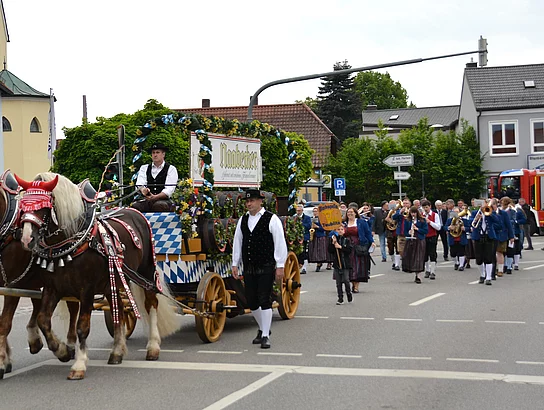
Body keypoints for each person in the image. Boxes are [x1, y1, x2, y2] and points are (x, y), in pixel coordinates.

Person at [231, 189, 288, 349]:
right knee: (251, 300)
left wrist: (280, 265)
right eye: (247, 201)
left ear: (260, 201)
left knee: (264, 299)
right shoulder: (243, 220)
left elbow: (279, 242)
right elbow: (238, 242)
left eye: (252, 201)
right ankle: (263, 328)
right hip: (249, 266)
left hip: (266, 265)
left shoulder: (271, 219)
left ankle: (265, 335)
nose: (249, 204)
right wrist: (235, 263)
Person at [132, 143, 178, 212]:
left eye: (157, 152)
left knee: (159, 205)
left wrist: (156, 197)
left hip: (164, 201)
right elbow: (140, 184)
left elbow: (169, 189)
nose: (155, 155)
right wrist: (144, 190)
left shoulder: (171, 169)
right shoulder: (144, 168)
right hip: (147, 200)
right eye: (153, 153)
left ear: (163, 154)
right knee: (135, 206)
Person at [344, 205, 374, 293]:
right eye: (348, 212)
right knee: (348, 266)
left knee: (357, 266)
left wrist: (372, 241)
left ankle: (356, 286)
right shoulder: (344, 223)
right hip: (347, 247)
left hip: (358, 246)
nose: (350, 214)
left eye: (351, 212)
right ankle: (351, 283)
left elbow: (367, 232)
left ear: (355, 213)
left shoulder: (361, 222)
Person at [470, 201, 501, 285]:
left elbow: (497, 220)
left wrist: (489, 214)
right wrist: (476, 218)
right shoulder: (475, 213)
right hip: (478, 237)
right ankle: (482, 274)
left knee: (488, 258)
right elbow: (471, 223)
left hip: (489, 237)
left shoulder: (491, 212)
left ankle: (488, 277)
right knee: (479, 259)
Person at [401, 206, 428, 283]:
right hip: (410, 240)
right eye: (412, 213)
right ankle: (411, 270)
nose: (413, 214)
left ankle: (418, 276)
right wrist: (408, 232)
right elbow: (404, 231)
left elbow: (425, 231)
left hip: (419, 240)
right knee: (409, 257)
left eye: (414, 213)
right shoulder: (407, 220)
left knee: (418, 258)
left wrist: (417, 229)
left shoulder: (422, 220)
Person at [328, 225, 353, 305]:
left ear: (344, 231)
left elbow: (349, 250)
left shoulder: (347, 240)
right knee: (338, 282)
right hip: (337, 264)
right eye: (338, 229)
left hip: (345, 263)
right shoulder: (334, 239)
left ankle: (348, 293)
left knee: (346, 280)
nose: (340, 231)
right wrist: (333, 244)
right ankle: (340, 298)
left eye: (342, 229)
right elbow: (330, 250)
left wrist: (340, 247)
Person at [491, 197, 514, 278]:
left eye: (492, 205)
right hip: (491, 235)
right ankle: (493, 269)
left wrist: (511, 236)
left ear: (496, 205)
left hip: (501, 235)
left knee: (500, 252)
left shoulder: (503, 213)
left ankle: (500, 270)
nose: (491, 207)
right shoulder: (488, 212)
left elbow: (509, 225)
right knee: (492, 253)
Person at [389, 197, 412, 271]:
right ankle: (402, 262)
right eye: (404, 203)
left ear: (410, 204)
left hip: (409, 234)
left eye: (406, 203)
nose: (405, 205)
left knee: (408, 250)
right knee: (400, 250)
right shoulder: (399, 211)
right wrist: (400, 212)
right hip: (400, 233)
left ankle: (408, 263)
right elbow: (393, 217)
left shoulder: (412, 211)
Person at [421, 199, 441, 279]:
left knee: (432, 254)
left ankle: (433, 271)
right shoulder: (421, 215)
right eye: (424, 207)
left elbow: (438, 227)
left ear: (430, 207)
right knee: (425, 254)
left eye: (426, 207)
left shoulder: (435, 215)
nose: (425, 209)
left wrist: (430, 222)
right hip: (424, 237)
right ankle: (427, 270)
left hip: (432, 236)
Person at [446, 207, 470, 272]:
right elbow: (444, 227)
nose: (456, 213)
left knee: (461, 253)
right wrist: (449, 227)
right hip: (452, 239)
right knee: (453, 254)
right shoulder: (449, 220)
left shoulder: (464, 220)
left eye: (457, 212)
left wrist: (465, 228)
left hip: (461, 239)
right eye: (454, 212)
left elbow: (469, 228)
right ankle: (457, 262)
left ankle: (461, 265)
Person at [308, 207, 329, 272]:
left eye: (316, 211)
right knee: (314, 251)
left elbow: (325, 228)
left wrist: (317, 227)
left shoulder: (322, 219)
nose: (315, 213)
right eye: (314, 211)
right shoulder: (311, 218)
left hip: (320, 236)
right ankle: (317, 262)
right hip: (314, 236)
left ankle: (319, 264)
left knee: (320, 251)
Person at [295, 203, 311, 274]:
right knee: (298, 253)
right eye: (297, 210)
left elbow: (309, 226)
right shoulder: (294, 217)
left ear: (302, 210)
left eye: (299, 211)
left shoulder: (307, 218)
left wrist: (300, 224)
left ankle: (304, 267)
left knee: (304, 252)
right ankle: (298, 266)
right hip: (296, 238)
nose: (298, 212)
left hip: (304, 237)